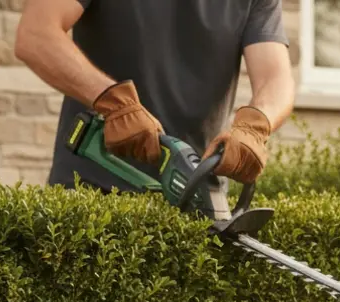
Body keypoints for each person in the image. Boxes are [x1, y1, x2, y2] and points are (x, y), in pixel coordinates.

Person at [15, 0, 296, 193]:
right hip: (92, 193)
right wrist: (114, 103)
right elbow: (37, 35)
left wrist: (256, 125)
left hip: (194, 197)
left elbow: (276, 78)